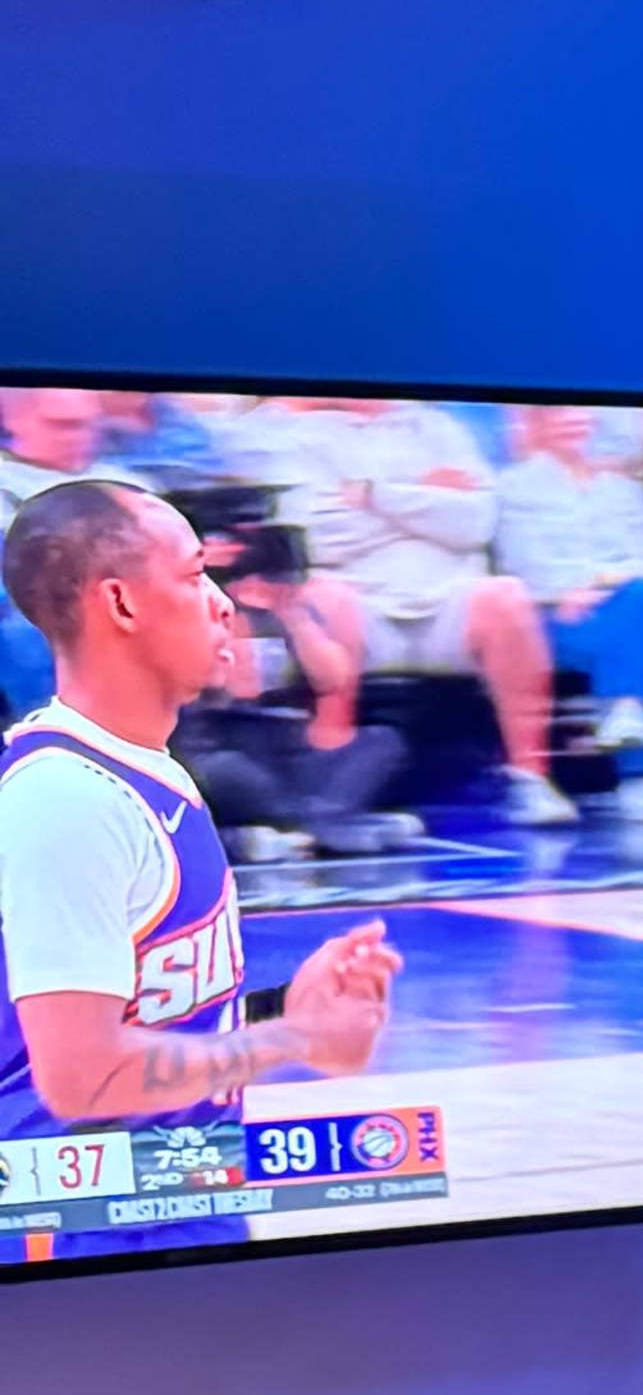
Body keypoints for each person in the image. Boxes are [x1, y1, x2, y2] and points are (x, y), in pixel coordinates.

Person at [0, 476, 400, 1267]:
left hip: (172, 1202)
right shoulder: (63, 797)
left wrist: (279, 1009)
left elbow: (143, 1017)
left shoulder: (146, 768)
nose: (222, 602)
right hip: (84, 1230)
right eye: (192, 576)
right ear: (120, 604)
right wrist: (295, 1037)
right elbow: (81, 1076)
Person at [0, 391, 421, 856]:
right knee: (224, 769)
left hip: (273, 735)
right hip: (77, 620)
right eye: (63, 425)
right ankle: (325, 821)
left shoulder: (127, 485)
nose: (79, 439)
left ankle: (306, 822)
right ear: (15, 421)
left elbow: (325, 681)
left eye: (86, 426)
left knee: (381, 743)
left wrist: (266, 601)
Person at [232, 394, 572, 822]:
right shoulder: (277, 430)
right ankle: (332, 778)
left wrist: (375, 495)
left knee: (507, 598)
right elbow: (314, 535)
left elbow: (476, 521)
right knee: (325, 596)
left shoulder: (435, 426)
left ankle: (530, 778)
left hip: (450, 598)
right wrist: (428, 494)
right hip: (356, 599)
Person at [493, 408, 643, 827]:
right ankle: (640, 774)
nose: (572, 421)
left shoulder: (624, 490)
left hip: (618, 607)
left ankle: (626, 710)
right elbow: (520, 562)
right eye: (560, 414)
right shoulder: (511, 487)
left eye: (578, 413)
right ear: (537, 424)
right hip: (548, 618)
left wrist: (597, 583)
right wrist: (568, 591)